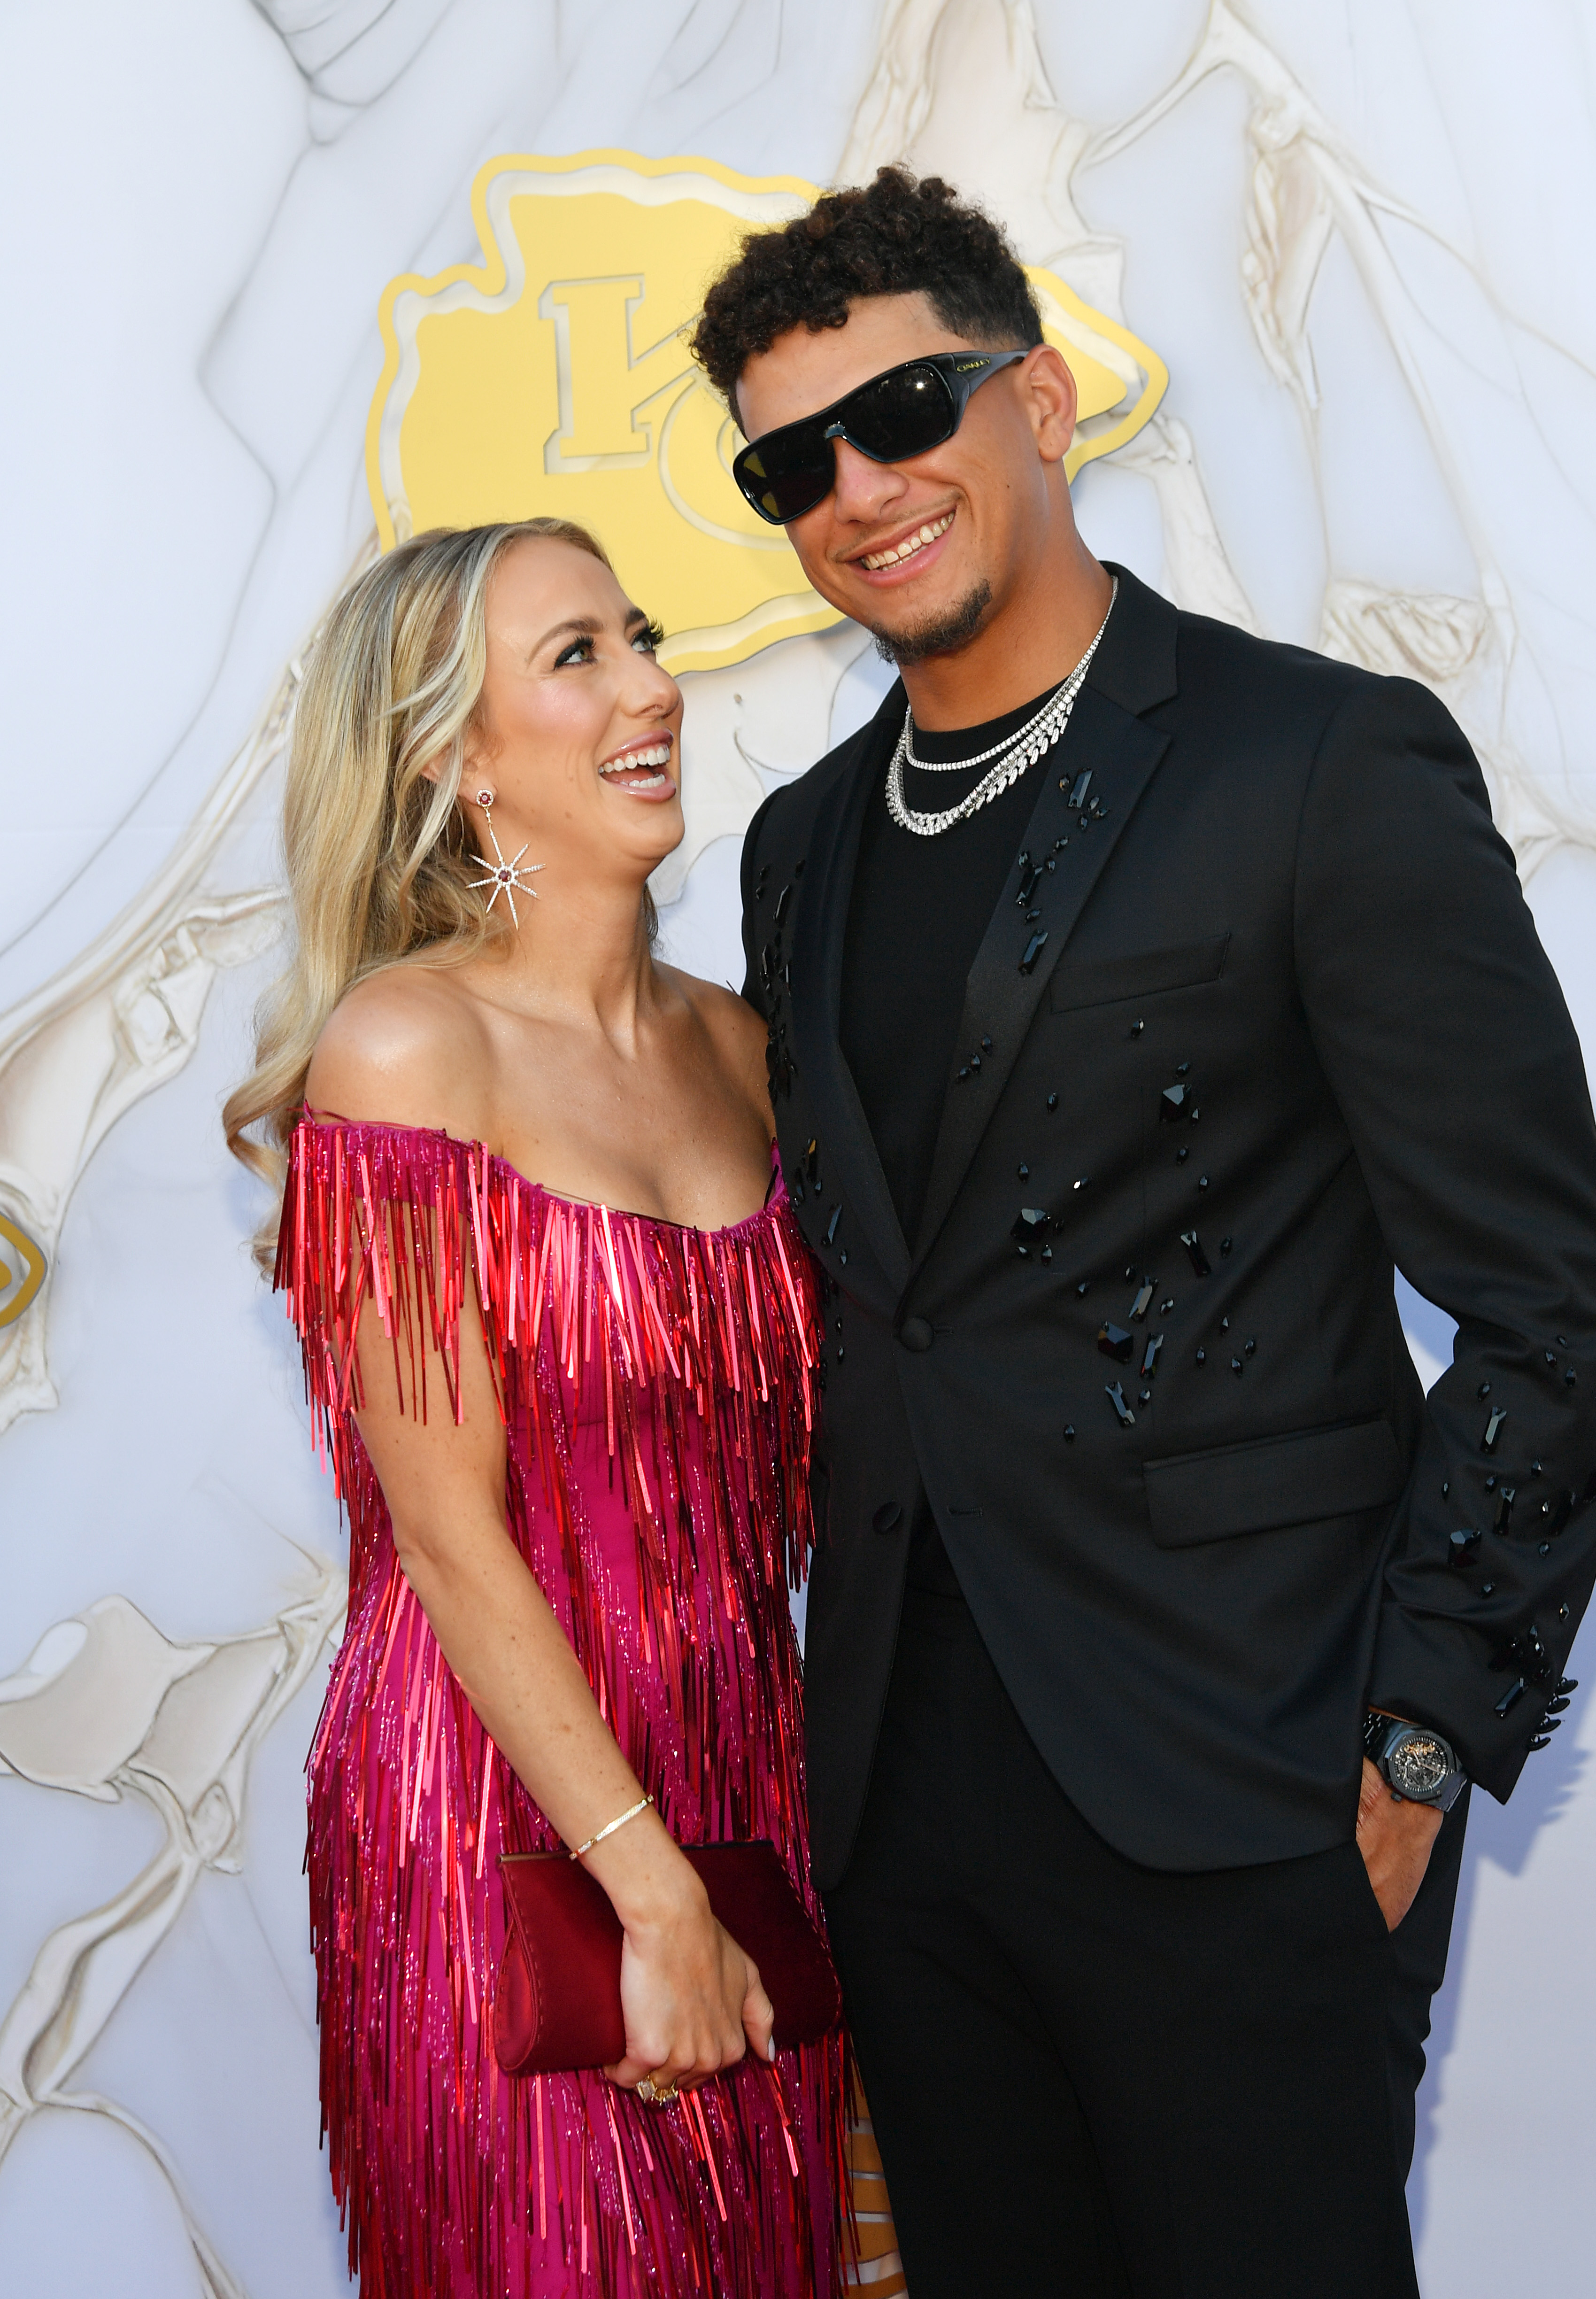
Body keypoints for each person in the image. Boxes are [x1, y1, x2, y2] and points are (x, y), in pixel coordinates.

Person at [696, 167, 1596, 2297]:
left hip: (1246, 1774)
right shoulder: (800, 847)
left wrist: (1420, 1735)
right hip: (908, 1795)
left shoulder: (1311, 762)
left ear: (1036, 399)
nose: (858, 486)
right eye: (791, 462)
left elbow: (1548, 1296)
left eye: (908, 407)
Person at [224, 518, 850, 2299]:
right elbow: (440, 1527)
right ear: (455, 756)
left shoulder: (745, 1049)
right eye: (576, 657)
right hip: (501, 1801)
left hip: (747, 1777)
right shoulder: (409, 1052)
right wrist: (649, 1891)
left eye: (639, 638)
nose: (654, 688)